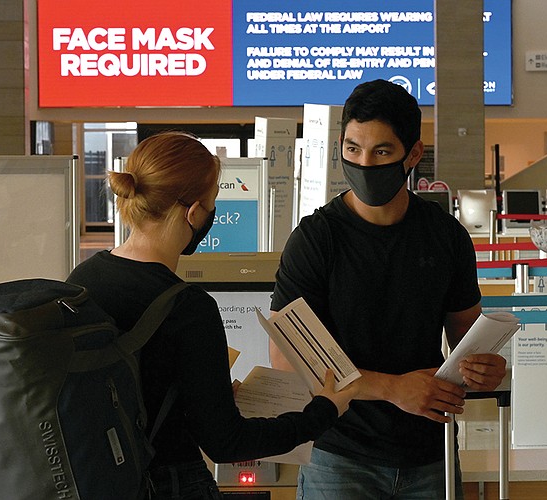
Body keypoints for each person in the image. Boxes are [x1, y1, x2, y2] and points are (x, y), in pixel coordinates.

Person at [66, 131, 356, 500]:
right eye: (213, 201)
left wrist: (207, 398)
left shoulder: (82, 280)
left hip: (101, 481)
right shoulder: (188, 307)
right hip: (168, 485)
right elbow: (227, 444)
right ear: (194, 212)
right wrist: (322, 412)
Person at [269, 79, 507, 499]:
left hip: (429, 453)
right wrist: (393, 388)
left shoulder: (445, 237)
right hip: (338, 457)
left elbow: (467, 343)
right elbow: (289, 361)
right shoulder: (315, 240)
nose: (364, 163)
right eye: (352, 149)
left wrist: (485, 370)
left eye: (382, 151)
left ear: (413, 154)